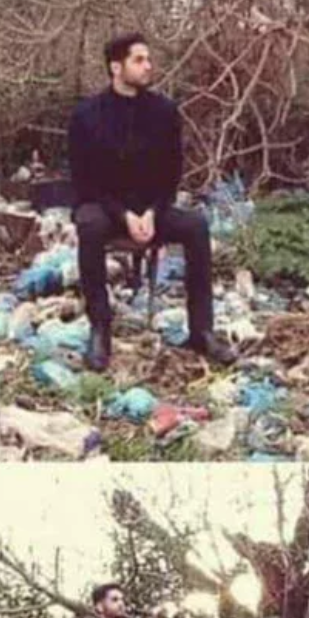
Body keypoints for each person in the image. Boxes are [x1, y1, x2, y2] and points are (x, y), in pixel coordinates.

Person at [67, 32, 236, 372]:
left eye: (148, 59)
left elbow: (171, 173)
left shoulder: (163, 112)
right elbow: (85, 181)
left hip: (151, 208)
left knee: (196, 225)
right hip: (105, 207)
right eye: (139, 60)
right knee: (89, 224)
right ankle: (100, 330)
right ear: (116, 67)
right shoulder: (87, 115)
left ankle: (201, 331)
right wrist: (124, 214)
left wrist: (153, 212)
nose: (148, 66)